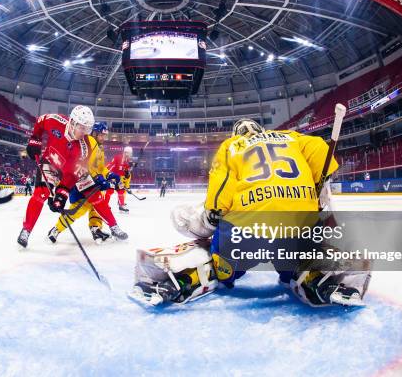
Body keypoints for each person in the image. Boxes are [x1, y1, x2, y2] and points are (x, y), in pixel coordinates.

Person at [131, 119, 368, 307]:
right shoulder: (292, 138)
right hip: (297, 227)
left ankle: (184, 280)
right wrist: (318, 186)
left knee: (217, 262)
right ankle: (318, 281)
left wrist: (208, 227)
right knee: (299, 262)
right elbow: (321, 150)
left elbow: (218, 200)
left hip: (246, 231)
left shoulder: (231, 146)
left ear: (237, 134)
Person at [16, 106, 127, 248]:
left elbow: (71, 176)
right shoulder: (55, 121)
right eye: (83, 128)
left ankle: (113, 226)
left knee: (95, 196)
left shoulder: (84, 147)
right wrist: (35, 140)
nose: (85, 132)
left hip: (72, 171)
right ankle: (26, 230)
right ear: (73, 122)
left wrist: (61, 194)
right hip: (51, 163)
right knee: (40, 194)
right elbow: (40, 121)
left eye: (88, 129)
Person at [47, 122, 123, 244]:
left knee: (97, 204)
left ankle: (97, 228)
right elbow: (83, 165)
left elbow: (100, 167)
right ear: (94, 133)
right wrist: (98, 178)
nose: (104, 138)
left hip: (93, 181)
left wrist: (108, 174)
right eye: (101, 135)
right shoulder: (88, 142)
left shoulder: (99, 148)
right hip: (80, 181)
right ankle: (56, 229)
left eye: (105, 135)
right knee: (79, 210)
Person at [105, 146, 133, 212]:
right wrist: (108, 174)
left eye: (130, 154)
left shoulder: (128, 161)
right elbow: (111, 165)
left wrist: (127, 173)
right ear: (125, 152)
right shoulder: (118, 157)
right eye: (128, 153)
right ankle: (105, 205)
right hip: (113, 177)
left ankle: (121, 206)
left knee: (121, 191)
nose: (129, 155)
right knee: (110, 191)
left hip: (119, 179)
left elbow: (126, 172)